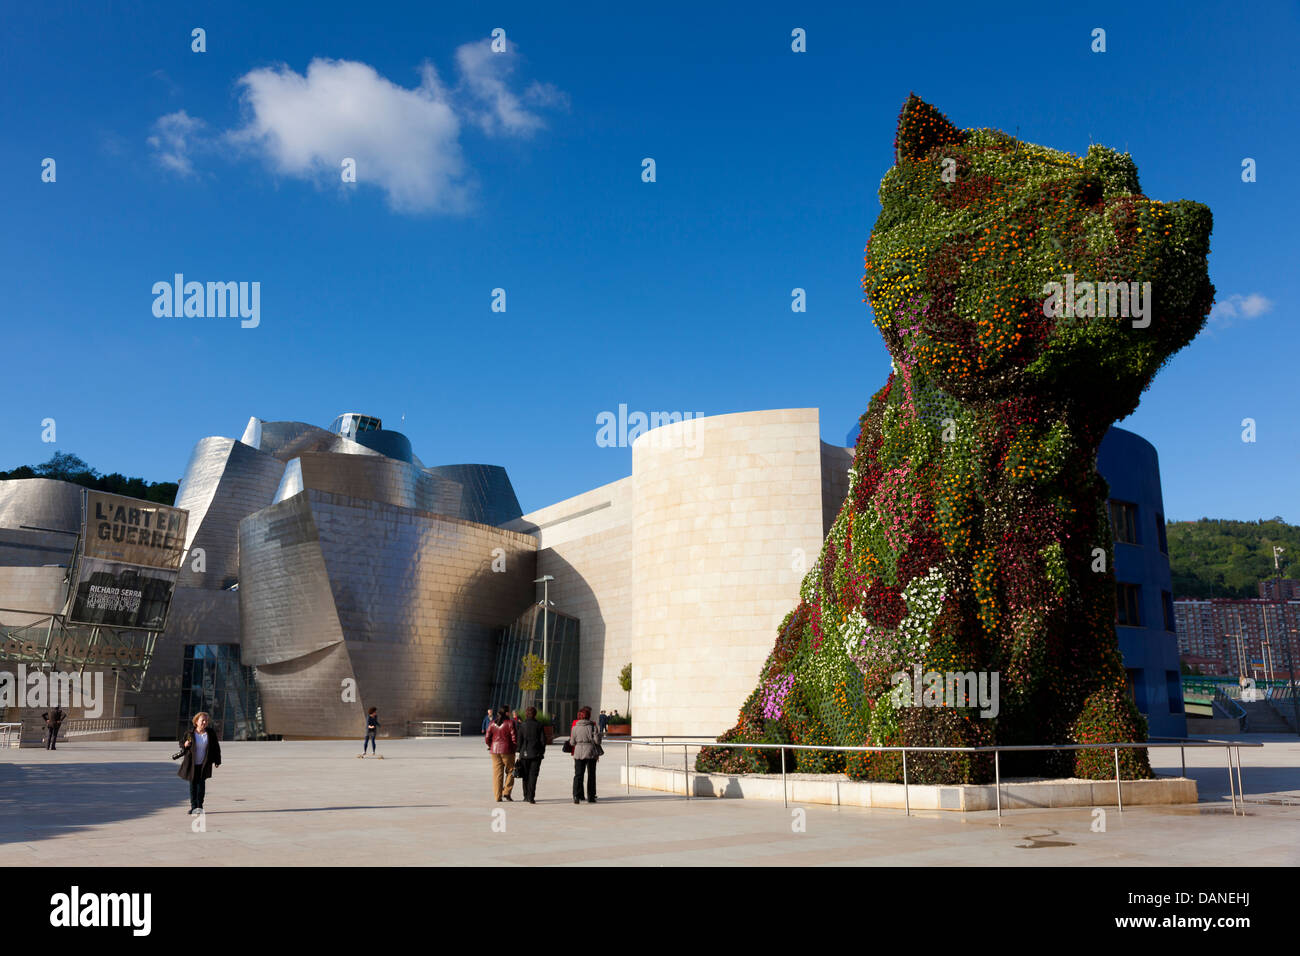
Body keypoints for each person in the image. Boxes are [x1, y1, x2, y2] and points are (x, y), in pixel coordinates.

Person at [177, 712, 222, 814]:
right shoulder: (190, 733)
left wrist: (217, 760)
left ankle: (199, 806)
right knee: (193, 785)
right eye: (203, 720)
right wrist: (185, 744)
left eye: (206, 720)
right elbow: (181, 743)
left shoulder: (210, 733)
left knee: (201, 786)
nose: (205, 722)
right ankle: (193, 806)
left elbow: (216, 747)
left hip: (204, 764)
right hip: (192, 764)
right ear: (196, 721)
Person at [570, 706, 603, 804]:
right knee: (591, 775)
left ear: (579, 716)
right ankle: (591, 796)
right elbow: (597, 741)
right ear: (588, 716)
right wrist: (599, 735)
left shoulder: (575, 728)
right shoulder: (593, 726)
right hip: (591, 753)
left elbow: (572, 743)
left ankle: (577, 795)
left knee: (578, 775)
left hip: (578, 753)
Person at [515, 706, 547, 804]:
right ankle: (531, 796)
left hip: (524, 754)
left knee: (525, 776)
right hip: (536, 754)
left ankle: (525, 796)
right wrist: (541, 752)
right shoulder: (539, 725)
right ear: (535, 714)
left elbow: (519, 741)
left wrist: (518, 754)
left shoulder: (522, 725)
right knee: (533, 776)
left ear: (526, 714)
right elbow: (543, 741)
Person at [486, 708, 517, 802]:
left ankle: (497, 796)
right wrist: (514, 748)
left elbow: (487, 738)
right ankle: (506, 792)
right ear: (507, 713)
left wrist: (491, 745)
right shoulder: (510, 723)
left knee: (497, 774)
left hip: (495, 751)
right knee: (511, 771)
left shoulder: (492, 723)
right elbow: (514, 738)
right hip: (508, 751)